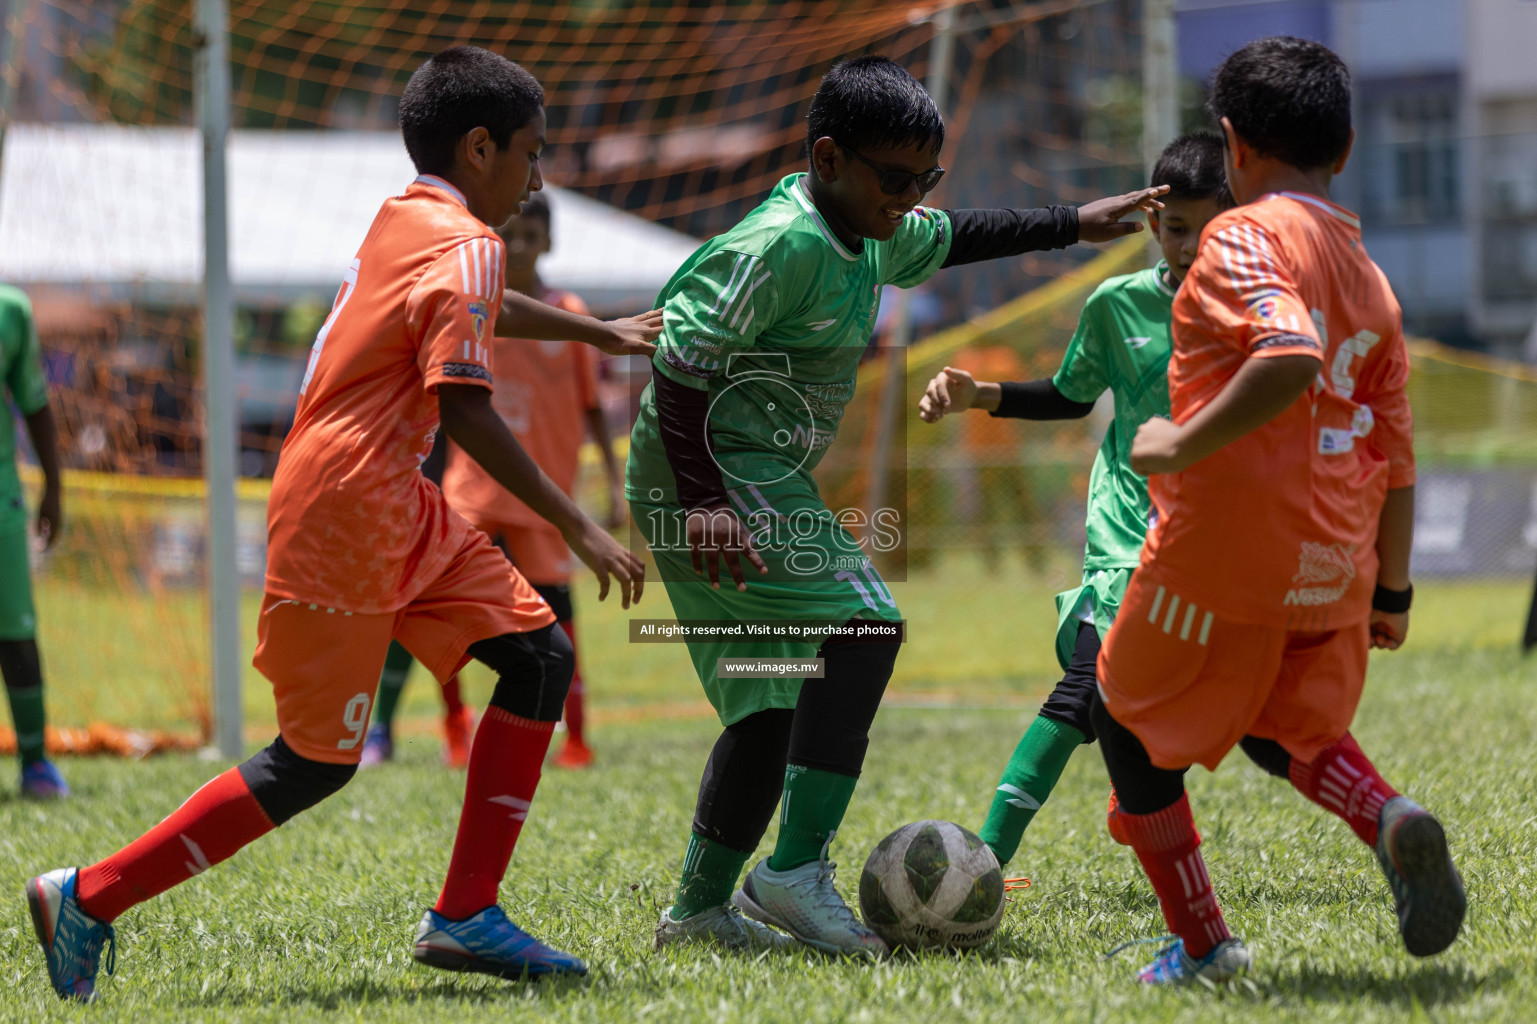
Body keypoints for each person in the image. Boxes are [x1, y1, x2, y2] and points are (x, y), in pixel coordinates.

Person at [26, 45, 659, 1002]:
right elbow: (464, 406)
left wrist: (593, 330)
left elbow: (470, 302)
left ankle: (466, 914)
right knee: (313, 764)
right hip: (350, 510)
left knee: (539, 657)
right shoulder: (468, 241)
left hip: (385, 498)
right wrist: (577, 523)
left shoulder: (413, 216)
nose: (536, 178)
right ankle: (89, 894)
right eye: (531, 156)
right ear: (481, 147)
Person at [630, 54, 1167, 957]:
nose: (910, 196)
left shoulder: (872, 225)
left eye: (926, 178)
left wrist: (1073, 222)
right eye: (895, 177)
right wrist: (703, 501)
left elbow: (957, 234)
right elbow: (679, 365)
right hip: (717, 464)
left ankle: (695, 913)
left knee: (770, 701)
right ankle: (793, 871)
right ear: (829, 157)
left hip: (740, 472)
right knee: (865, 625)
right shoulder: (781, 243)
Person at [1093, 36, 1464, 985]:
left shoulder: (1241, 236)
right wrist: (1394, 591)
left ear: (1231, 147)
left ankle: (1206, 945)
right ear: (1344, 149)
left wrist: (1174, 443)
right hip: (1332, 563)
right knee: (1278, 725)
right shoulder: (1370, 278)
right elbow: (1398, 454)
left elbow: (1287, 353)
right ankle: (1386, 816)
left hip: (1221, 556)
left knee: (1122, 712)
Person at [918, 132, 1240, 867]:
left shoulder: (1257, 316)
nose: (1188, 245)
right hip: (1127, 535)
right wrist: (980, 395)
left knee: (1196, 701)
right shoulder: (1115, 305)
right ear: (1153, 225)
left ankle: (1140, 800)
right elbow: (1069, 397)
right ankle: (984, 864)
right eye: (1175, 227)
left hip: (1214, 541)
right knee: (1083, 687)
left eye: (1208, 227)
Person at [362, 193, 624, 770]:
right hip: (472, 493)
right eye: (514, 235)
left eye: (534, 235)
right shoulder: (473, 305)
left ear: (550, 241)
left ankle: (576, 740)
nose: (524, 246)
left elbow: (592, 406)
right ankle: (440, 729)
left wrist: (612, 476)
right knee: (428, 610)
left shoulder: (571, 312)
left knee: (561, 621)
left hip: (543, 500)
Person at [0, 284, 69, 799]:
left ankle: (35, 762)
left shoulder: (11, 310)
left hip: (2, 498)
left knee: (16, 629)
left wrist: (54, 487)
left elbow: (35, 403)